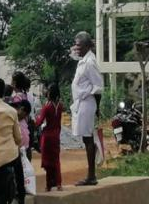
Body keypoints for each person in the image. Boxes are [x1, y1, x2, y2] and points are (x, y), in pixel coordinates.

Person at [70, 31, 103, 186]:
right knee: (86, 137)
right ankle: (91, 174)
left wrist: (97, 108)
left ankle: (91, 175)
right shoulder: (84, 60)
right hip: (82, 103)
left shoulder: (90, 62)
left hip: (87, 102)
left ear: (86, 45)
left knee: (88, 138)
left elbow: (98, 87)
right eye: (76, 44)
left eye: (79, 45)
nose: (76, 48)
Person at [36, 84, 64, 192]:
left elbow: (40, 121)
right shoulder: (60, 106)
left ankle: (48, 185)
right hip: (56, 136)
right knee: (56, 160)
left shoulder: (47, 107)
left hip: (47, 136)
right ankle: (58, 183)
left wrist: (33, 122)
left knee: (47, 162)